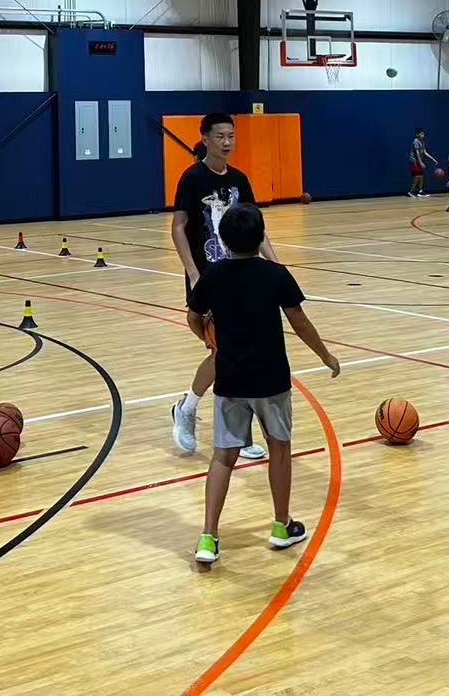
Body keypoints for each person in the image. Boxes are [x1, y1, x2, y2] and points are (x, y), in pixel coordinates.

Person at [189, 204, 340, 566]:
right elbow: (300, 322)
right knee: (280, 451)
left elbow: (194, 317)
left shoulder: (213, 275)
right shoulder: (276, 275)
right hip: (272, 381)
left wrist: (209, 341)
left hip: (229, 381)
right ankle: (281, 525)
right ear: (261, 239)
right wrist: (325, 356)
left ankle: (208, 537)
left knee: (224, 458)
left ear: (223, 241)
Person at [170, 112, 275, 461]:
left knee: (230, 353)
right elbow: (179, 228)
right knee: (226, 352)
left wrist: (276, 267)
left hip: (241, 275)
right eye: (220, 136)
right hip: (208, 276)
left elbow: (256, 230)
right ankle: (197, 414)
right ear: (204, 138)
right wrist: (194, 274)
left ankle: (191, 409)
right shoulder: (192, 179)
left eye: (231, 136)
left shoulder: (241, 180)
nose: (227, 142)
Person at [407, 128, 440, 200]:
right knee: (417, 176)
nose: (423, 135)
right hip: (414, 161)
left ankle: (420, 191)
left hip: (418, 161)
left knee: (421, 175)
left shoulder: (422, 141)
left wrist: (433, 159)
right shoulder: (416, 141)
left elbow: (425, 152)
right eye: (421, 134)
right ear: (417, 134)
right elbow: (417, 153)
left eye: (423, 134)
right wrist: (421, 162)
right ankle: (411, 191)